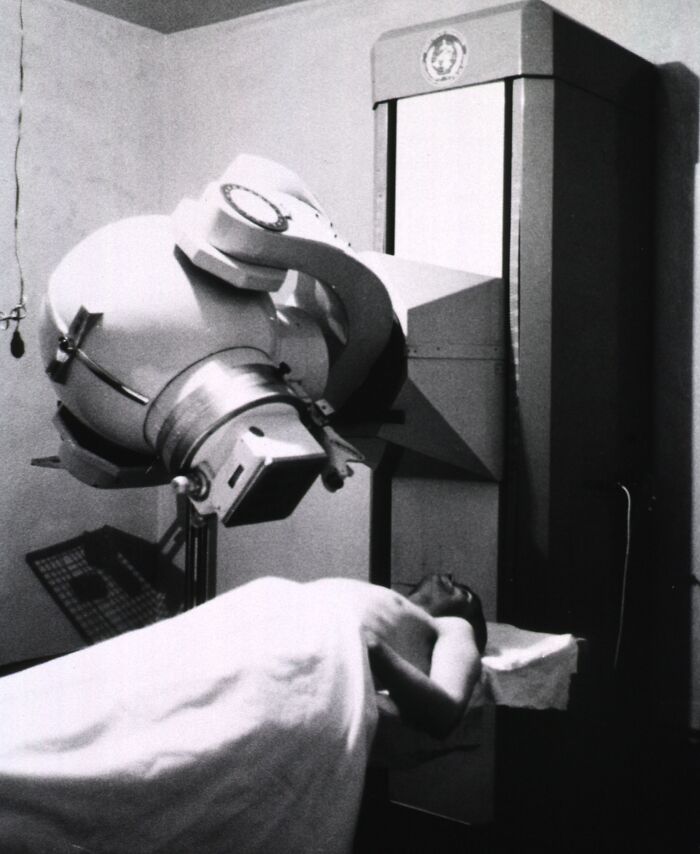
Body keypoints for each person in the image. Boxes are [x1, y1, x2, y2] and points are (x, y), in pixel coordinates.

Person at [0, 573, 485, 853]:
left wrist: (377, 652)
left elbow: (442, 711)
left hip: (313, 644)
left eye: (464, 590)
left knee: (157, 724)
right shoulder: (370, 587)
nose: (452, 580)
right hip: (259, 616)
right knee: (127, 687)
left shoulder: (451, 626)